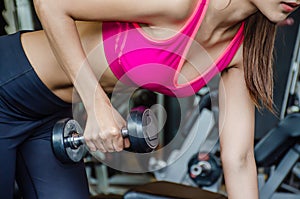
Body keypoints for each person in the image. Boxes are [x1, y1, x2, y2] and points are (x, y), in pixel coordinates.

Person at [0, 0, 299, 198]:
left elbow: (240, 159)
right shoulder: (179, 4)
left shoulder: (241, 50)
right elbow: (51, 5)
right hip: (7, 88)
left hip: (54, 119)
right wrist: (95, 103)